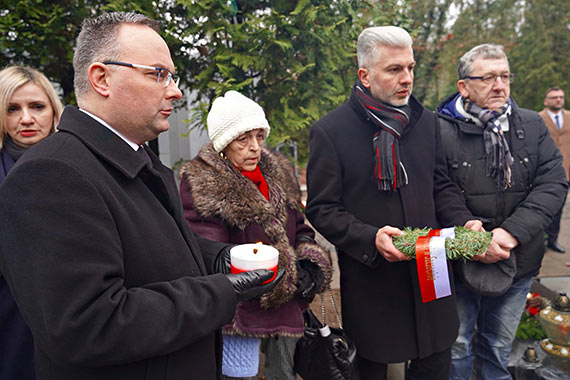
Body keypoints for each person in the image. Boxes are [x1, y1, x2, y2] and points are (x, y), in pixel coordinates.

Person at [0, 12, 282, 380]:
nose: (175, 90)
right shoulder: (50, 174)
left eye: (173, 76)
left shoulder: (134, 156)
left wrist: (223, 259)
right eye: (158, 74)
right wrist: (220, 291)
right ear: (101, 78)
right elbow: (88, 325)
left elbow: (156, 246)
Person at [305, 26, 481, 380]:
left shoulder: (426, 122)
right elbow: (322, 208)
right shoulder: (331, 131)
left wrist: (464, 221)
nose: (407, 78)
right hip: (373, 280)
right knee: (371, 365)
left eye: (411, 67)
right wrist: (370, 238)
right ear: (364, 76)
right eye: (394, 69)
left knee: (435, 361)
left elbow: (440, 184)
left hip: (431, 272)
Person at [178, 90, 332, 380]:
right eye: (243, 139)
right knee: (240, 376)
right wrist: (278, 276)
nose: (255, 147)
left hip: (286, 304)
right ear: (224, 143)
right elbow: (209, 249)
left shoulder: (277, 173)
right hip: (239, 310)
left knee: (284, 375)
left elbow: (299, 226)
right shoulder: (202, 183)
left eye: (259, 136)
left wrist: (309, 263)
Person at [435, 44, 567, 380]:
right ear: (464, 86)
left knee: (498, 346)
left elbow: (552, 183)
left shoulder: (531, 125)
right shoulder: (439, 128)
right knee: (459, 345)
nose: (499, 85)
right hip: (461, 258)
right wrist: (468, 229)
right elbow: (437, 186)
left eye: (505, 76)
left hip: (519, 256)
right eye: (489, 77)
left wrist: (509, 234)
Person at [0, 65, 64, 380]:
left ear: (54, 111)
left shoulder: (78, 163)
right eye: (13, 108)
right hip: (10, 319)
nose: (26, 118)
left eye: (37, 106)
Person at [539, 87, 570, 253]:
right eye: (554, 97)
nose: (558, 100)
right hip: (544, 173)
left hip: (565, 172)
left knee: (559, 208)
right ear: (546, 101)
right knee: (543, 208)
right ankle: (539, 242)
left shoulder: (569, 117)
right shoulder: (537, 118)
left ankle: (553, 240)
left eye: (561, 97)